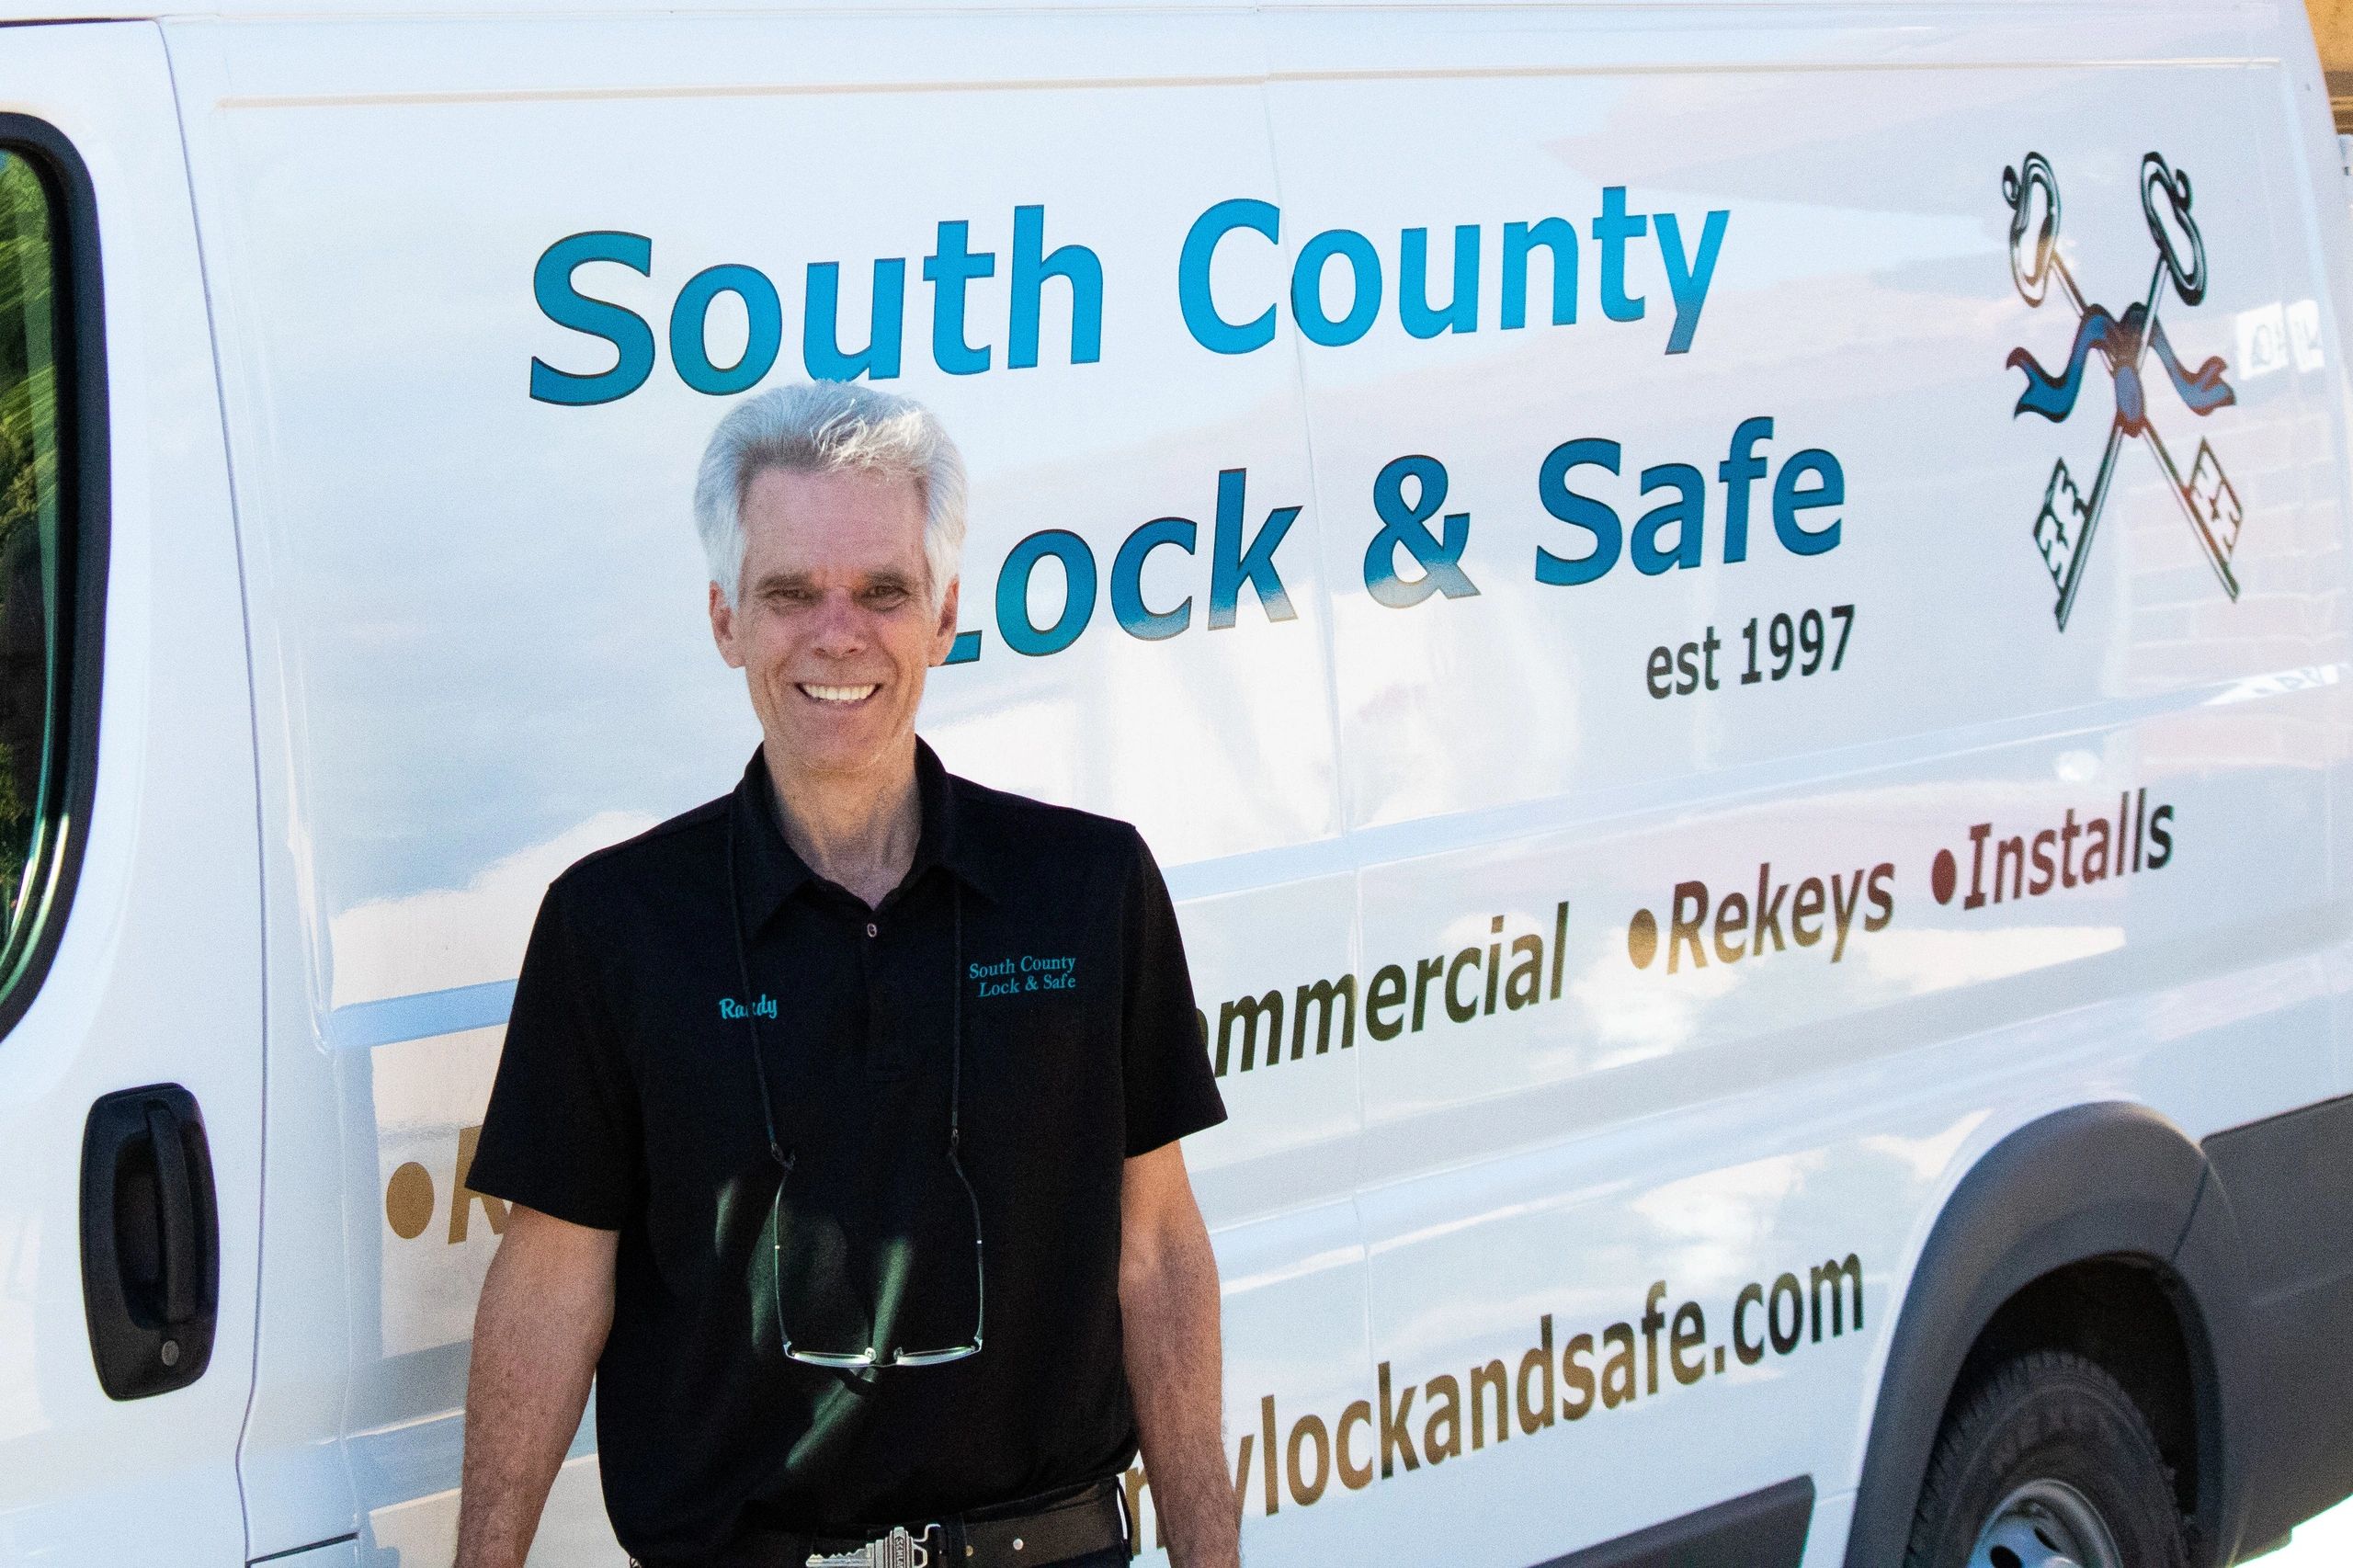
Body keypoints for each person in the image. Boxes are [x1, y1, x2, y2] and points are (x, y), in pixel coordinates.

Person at [451, 381, 1238, 1568]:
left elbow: (1159, 1246)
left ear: (945, 614)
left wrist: (1209, 1552)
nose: (839, 633)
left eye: (883, 591)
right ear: (725, 620)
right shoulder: (614, 928)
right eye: (789, 593)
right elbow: (552, 1288)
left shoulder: (1087, 887)